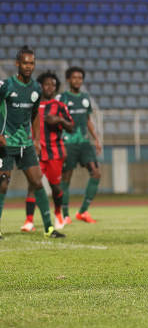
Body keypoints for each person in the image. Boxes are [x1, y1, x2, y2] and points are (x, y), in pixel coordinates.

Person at [0, 46, 65, 238]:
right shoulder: (6, 85)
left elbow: (35, 115)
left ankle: (49, 228)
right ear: (17, 64)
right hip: (5, 143)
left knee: (37, 182)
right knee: (2, 183)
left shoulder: (36, 89)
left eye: (32, 63)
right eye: (25, 63)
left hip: (25, 144)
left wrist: (36, 139)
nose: (28, 66)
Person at [21, 71, 74, 232]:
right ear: (40, 86)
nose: (50, 87)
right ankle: (29, 220)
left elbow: (71, 127)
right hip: (35, 152)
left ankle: (58, 213)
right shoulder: (31, 105)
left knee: (55, 187)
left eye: (53, 84)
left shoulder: (59, 106)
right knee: (33, 184)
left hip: (55, 153)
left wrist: (59, 120)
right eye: (46, 84)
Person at [58, 67, 102, 224]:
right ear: (68, 80)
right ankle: (64, 214)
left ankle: (83, 211)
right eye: (74, 78)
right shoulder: (62, 98)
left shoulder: (85, 97)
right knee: (66, 178)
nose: (77, 80)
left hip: (84, 142)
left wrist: (96, 138)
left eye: (80, 78)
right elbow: (55, 119)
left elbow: (88, 120)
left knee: (96, 173)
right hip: (68, 143)